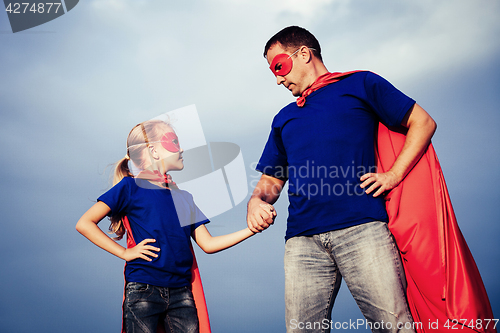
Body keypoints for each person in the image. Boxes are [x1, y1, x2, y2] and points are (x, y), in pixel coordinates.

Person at [247, 26, 438, 333]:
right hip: (302, 242)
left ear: (305, 54)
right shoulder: (284, 117)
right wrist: (256, 202)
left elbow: (422, 122)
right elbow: (272, 179)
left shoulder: (360, 83)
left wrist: (393, 175)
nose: (278, 79)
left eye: (278, 66)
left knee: (395, 327)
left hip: (362, 230)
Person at [76, 119, 258, 333]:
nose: (180, 148)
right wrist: (125, 252)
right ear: (153, 151)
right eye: (172, 141)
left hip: (182, 294)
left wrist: (252, 229)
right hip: (143, 290)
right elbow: (84, 223)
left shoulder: (184, 198)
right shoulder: (130, 188)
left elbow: (208, 244)